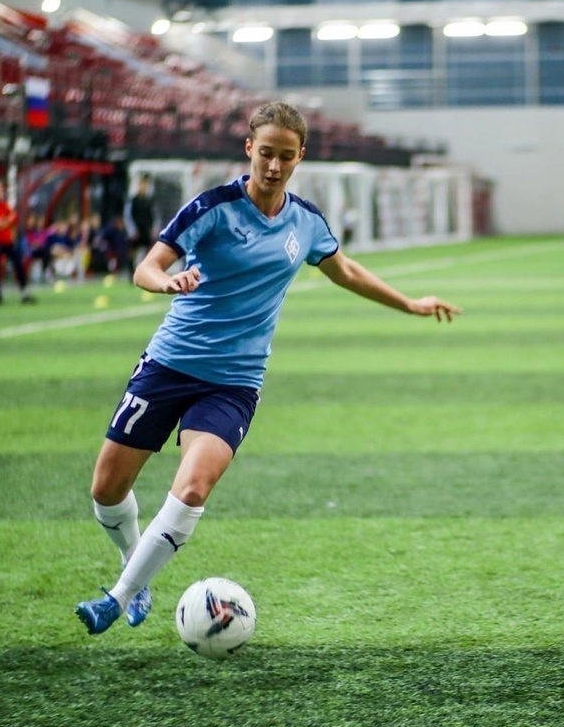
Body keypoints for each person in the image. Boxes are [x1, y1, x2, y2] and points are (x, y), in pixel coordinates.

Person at [75, 101, 462, 635]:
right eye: (265, 153)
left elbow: (346, 272)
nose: (274, 166)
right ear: (248, 149)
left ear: (300, 156)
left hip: (234, 383)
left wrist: (411, 304)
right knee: (107, 489)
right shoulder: (212, 208)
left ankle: (118, 598)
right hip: (169, 364)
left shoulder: (306, 222)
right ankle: (132, 566)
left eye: (285, 156)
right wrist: (166, 282)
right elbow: (148, 265)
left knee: (192, 489)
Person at [0, 180, 34, 304]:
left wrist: (5, 221)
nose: (1, 192)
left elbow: (14, 218)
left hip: (7, 242)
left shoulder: (5, 205)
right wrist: (6, 221)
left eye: (1, 190)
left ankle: (24, 291)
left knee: (18, 263)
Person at [127, 173, 156, 273]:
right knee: (133, 251)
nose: (144, 187)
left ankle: (146, 271)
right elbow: (128, 216)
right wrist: (132, 230)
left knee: (149, 252)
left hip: (146, 230)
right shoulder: (133, 200)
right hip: (136, 231)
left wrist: (153, 228)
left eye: (145, 184)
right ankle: (131, 271)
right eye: (142, 184)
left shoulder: (149, 201)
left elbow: (154, 215)